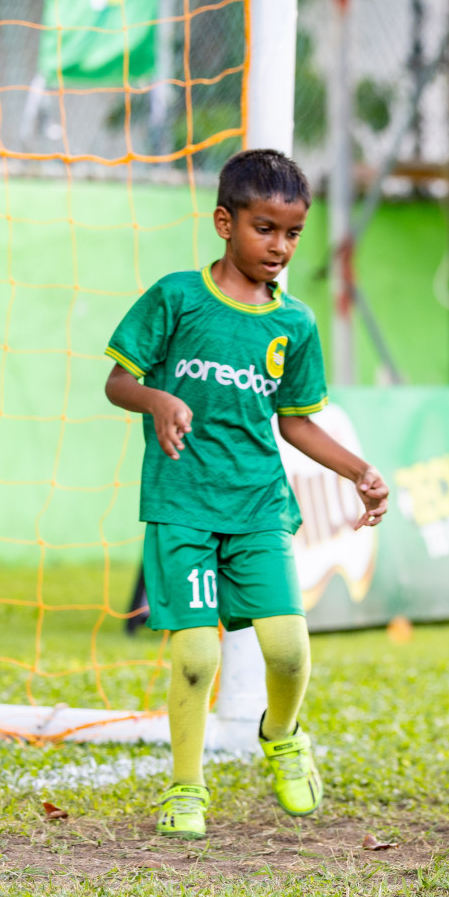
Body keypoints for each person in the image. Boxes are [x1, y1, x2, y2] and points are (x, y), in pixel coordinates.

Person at [103, 149, 388, 840]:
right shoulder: (177, 297)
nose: (281, 247)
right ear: (225, 223)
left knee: (288, 652)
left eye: (293, 233)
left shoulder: (295, 325)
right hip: (182, 506)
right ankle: (184, 787)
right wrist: (158, 400)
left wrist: (358, 470)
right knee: (197, 657)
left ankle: (282, 733)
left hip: (259, 506)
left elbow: (296, 422)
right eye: (267, 229)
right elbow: (117, 383)